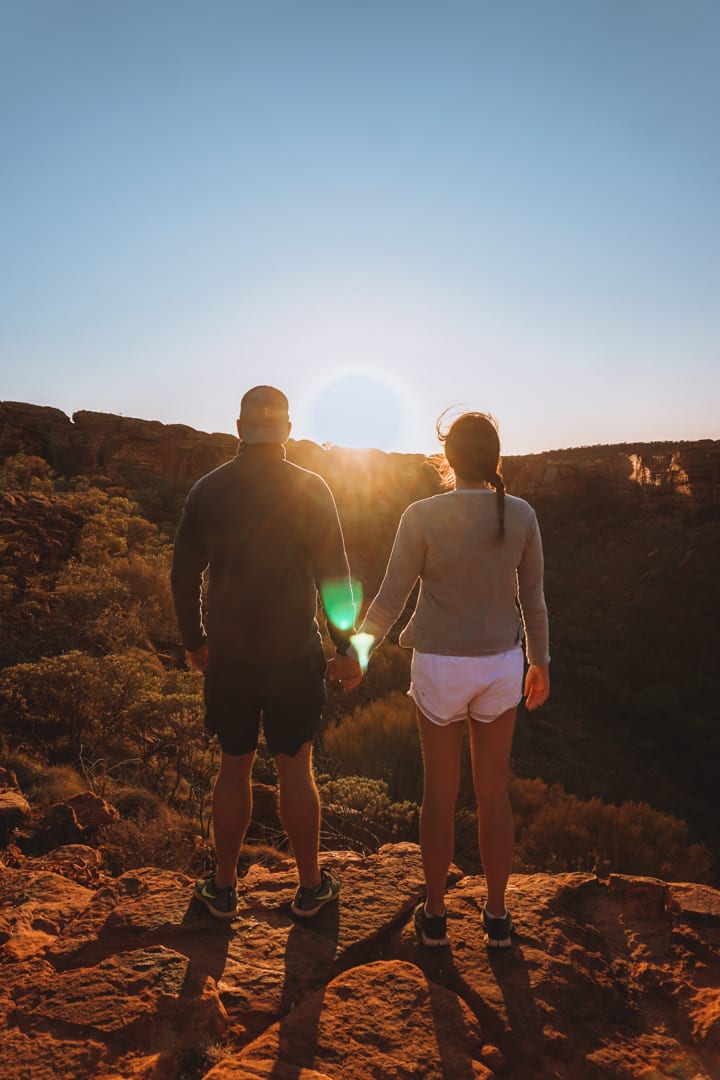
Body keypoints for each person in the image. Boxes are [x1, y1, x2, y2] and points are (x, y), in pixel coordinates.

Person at [359, 411, 550, 948]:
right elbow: (532, 599)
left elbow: (390, 600)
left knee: (439, 794)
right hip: (500, 666)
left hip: (440, 666)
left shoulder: (420, 514)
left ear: (448, 458)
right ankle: (496, 917)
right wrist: (541, 662)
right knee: (493, 792)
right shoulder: (522, 514)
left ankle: (437, 917)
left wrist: (357, 653)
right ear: (495, 460)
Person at [171, 386, 361, 922]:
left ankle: (224, 889)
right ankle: (310, 887)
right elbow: (335, 577)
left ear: (238, 428)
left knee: (234, 768)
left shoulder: (207, 490)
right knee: (296, 769)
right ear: (286, 430)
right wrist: (344, 648)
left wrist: (194, 640)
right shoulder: (311, 487)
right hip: (292, 654)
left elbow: (183, 575)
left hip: (229, 655)